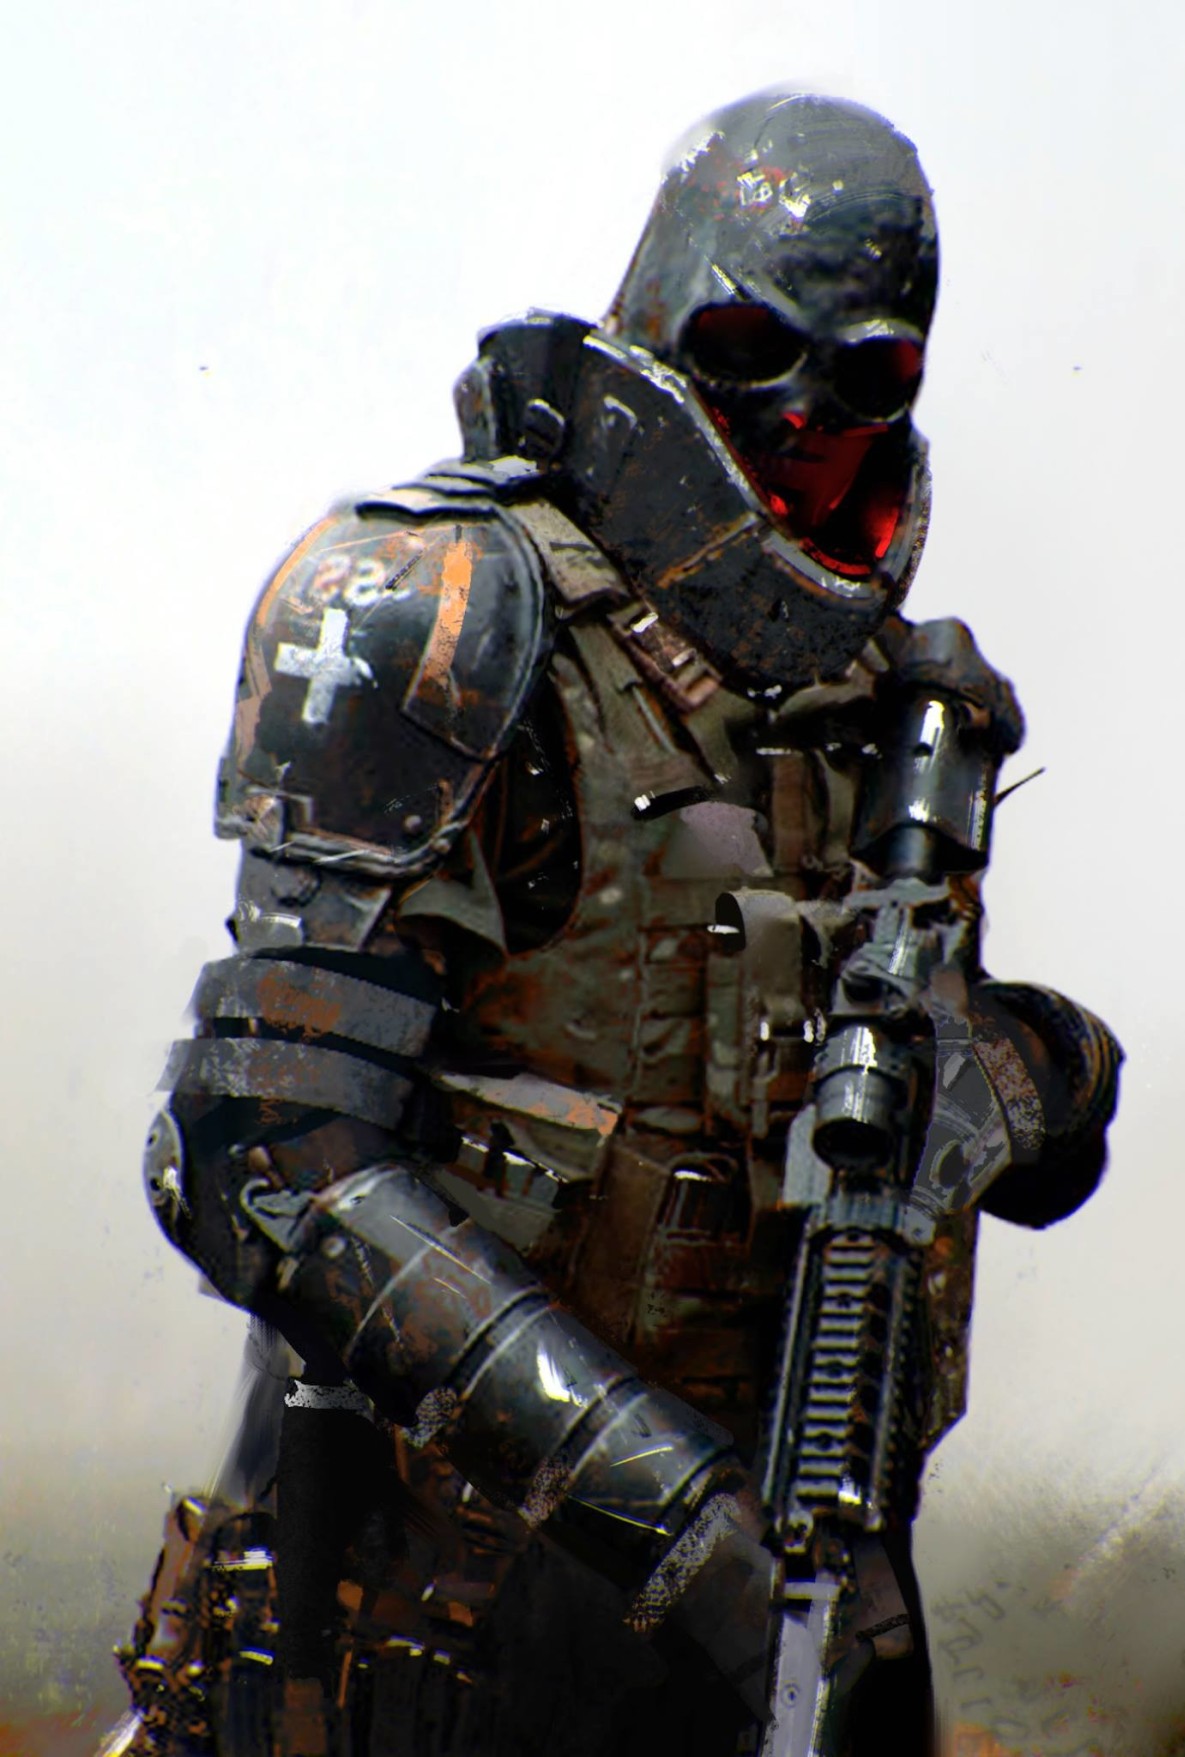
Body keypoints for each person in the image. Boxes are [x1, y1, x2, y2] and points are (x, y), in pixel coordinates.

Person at [104, 90, 1122, 1757]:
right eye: (750, 348)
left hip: (796, 1643)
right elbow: (255, 1153)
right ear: (659, 315)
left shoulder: (891, 709)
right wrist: (694, 1533)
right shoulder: (436, 602)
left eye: (868, 375)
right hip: (422, 1643)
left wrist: (1016, 1073)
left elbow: (1022, 1104)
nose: (804, 414)